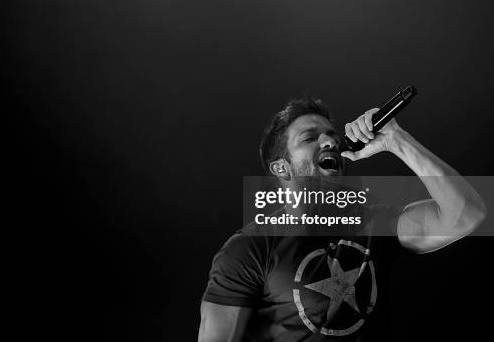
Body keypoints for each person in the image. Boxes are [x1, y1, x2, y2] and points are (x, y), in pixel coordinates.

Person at [198, 96, 486, 342]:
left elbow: (467, 215)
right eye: (310, 138)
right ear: (282, 168)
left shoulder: (375, 223)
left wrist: (397, 141)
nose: (330, 141)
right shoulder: (249, 247)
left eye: (331, 135)